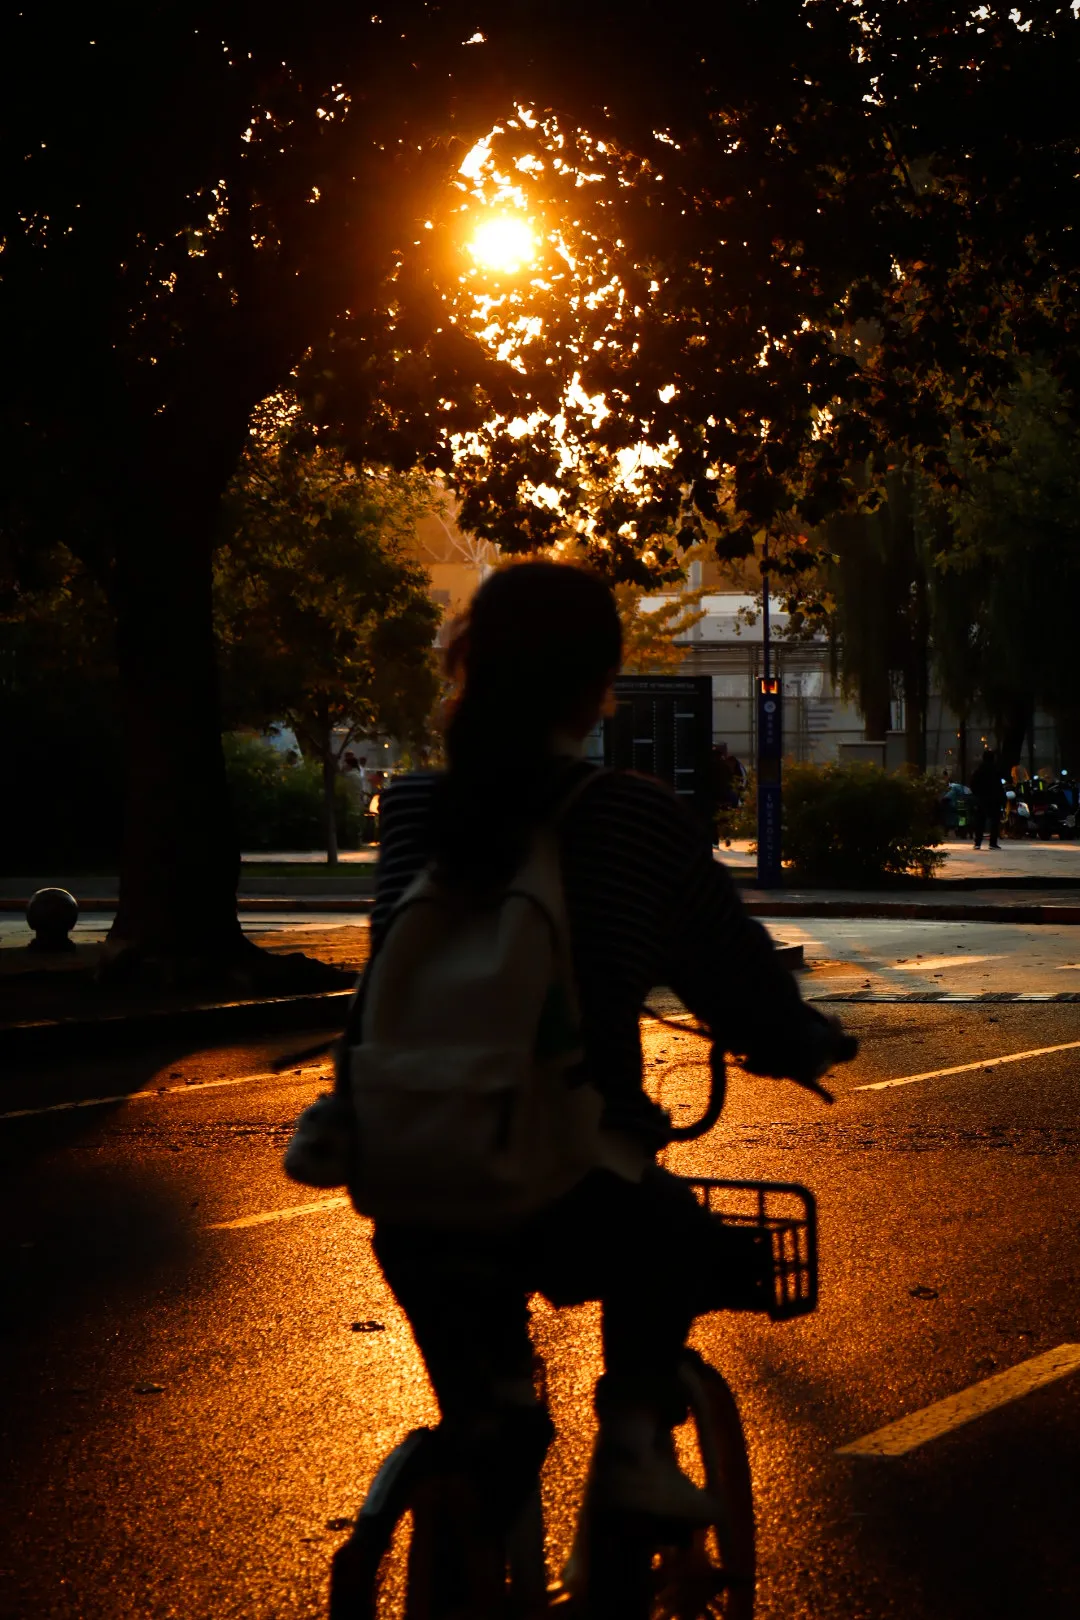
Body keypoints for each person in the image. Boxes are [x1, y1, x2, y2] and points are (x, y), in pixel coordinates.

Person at [365, 561, 853, 1537]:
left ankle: (476, 1503)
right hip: (569, 1179)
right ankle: (633, 1439)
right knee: (673, 1236)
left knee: (488, 1412)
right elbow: (734, 977)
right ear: (599, 687)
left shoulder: (415, 810)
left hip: (406, 1176)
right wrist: (796, 1040)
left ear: (471, 671)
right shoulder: (631, 815)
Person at [970, 748, 1006, 849]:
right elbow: (1000, 786)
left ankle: (977, 843)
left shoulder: (979, 770)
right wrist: (1002, 798)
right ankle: (993, 843)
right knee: (994, 821)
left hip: (982, 798)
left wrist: (977, 794)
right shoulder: (996, 770)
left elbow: (973, 784)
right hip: (994, 799)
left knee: (980, 821)